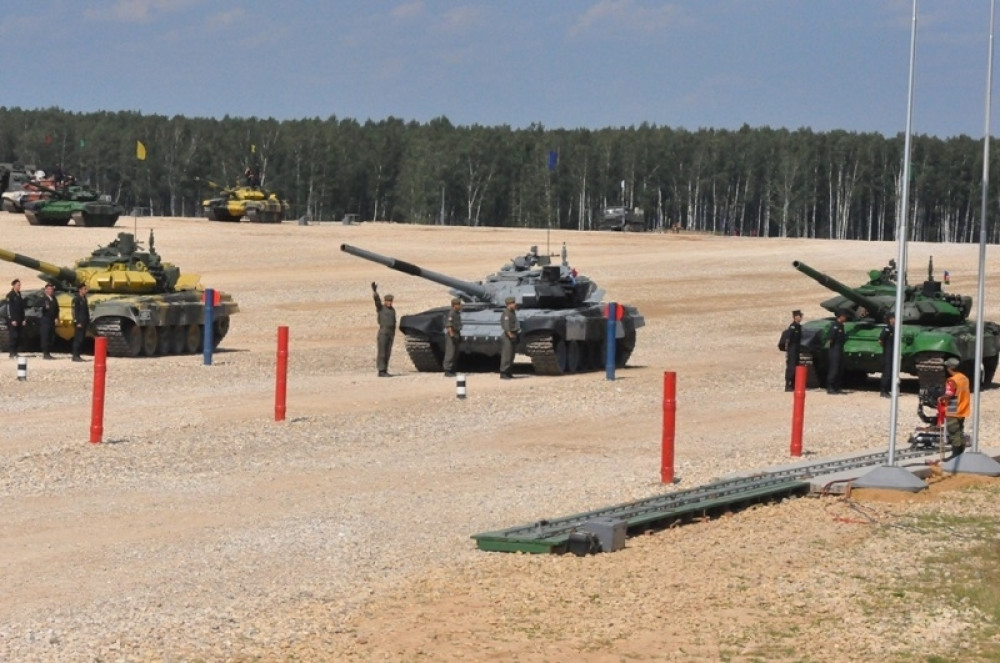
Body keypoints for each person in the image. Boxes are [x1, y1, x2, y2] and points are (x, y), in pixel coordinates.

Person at [938, 357, 970, 457]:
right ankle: (961, 454)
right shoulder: (964, 378)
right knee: (960, 431)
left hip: (953, 410)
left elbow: (949, 394)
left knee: (954, 432)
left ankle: (955, 455)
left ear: (950, 368)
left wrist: (941, 398)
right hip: (963, 409)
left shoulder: (952, 380)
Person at [371, 282, 395, 377]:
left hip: (390, 332)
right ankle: (381, 370)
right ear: (385, 301)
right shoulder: (381, 308)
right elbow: (377, 301)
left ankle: (385, 369)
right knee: (382, 352)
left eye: (390, 301)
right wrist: (375, 292)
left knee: (388, 352)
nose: (389, 303)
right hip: (384, 332)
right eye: (387, 301)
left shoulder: (392, 310)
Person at [826, 310, 849, 394]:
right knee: (834, 369)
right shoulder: (835, 326)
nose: (845, 317)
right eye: (844, 316)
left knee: (839, 369)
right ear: (839, 317)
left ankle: (837, 387)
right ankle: (830, 387)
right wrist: (831, 351)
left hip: (839, 350)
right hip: (834, 350)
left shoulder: (841, 326)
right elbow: (830, 340)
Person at [780, 309, 803, 391]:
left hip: (796, 349)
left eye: (801, 316)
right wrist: (787, 350)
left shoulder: (799, 326)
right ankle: (788, 385)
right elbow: (788, 339)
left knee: (796, 366)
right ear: (795, 317)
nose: (800, 318)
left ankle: (794, 384)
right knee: (791, 367)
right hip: (792, 349)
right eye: (799, 316)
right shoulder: (792, 326)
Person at [499, 296, 520, 379]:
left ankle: (508, 372)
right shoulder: (506, 313)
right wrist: (511, 336)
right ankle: (503, 372)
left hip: (513, 335)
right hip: (508, 336)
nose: (515, 304)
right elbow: (506, 327)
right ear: (509, 304)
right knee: (506, 355)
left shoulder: (512, 312)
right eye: (513, 303)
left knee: (511, 356)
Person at [442, 297, 462, 377]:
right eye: (459, 304)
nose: (460, 306)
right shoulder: (451, 313)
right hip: (452, 335)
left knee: (455, 353)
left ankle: (452, 369)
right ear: (454, 305)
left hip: (456, 333)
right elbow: (449, 326)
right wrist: (452, 336)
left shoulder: (457, 313)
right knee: (450, 353)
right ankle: (447, 370)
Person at [5, 278, 25, 358]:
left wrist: (23, 319)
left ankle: (15, 351)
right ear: (14, 285)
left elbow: (21, 308)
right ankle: (12, 352)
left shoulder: (19, 294)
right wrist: (12, 319)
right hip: (13, 320)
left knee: (19, 336)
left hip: (20, 319)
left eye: (20, 285)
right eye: (18, 285)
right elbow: (9, 308)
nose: (19, 286)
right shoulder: (10, 295)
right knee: (13, 336)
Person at [878, 312, 896, 398]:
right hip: (888, 354)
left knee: (891, 372)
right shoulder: (887, 329)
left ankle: (887, 390)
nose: (895, 320)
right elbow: (880, 341)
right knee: (887, 373)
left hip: (893, 353)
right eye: (894, 318)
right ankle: (883, 391)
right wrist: (886, 348)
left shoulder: (894, 329)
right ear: (890, 319)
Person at [39, 282, 59, 359]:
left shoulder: (54, 298)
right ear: (46, 290)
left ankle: (48, 352)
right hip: (45, 320)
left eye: (51, 289)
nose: (50, 290)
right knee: (45, 336)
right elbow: (38, 306)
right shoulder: (43, 298)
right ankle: (45, 353)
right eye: (48, 289)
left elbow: (57, 309)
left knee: (51, 336)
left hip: (52, 320)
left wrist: (56, 317)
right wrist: (44, 306)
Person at [71, 283, 90, 362]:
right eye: (84, 289)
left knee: (81, 338)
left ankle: (78, 355)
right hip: (79, 322)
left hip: (84, 321)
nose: (86, 290)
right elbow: (75, 311)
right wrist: (78, 321)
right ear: (80, 290)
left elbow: (86, 311)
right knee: (78, 339)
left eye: (86, 289)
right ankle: (75, 355)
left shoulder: (84, 298)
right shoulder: (77, 299)